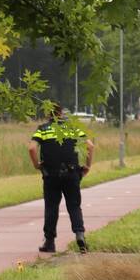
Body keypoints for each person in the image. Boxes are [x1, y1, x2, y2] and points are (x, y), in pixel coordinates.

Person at [27, 104, 93, 252]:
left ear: (48, 114)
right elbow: (90, 146)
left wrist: (37, 165)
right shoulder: (73, 128)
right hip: (72, 173)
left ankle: (49, 242)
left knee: (51, 207)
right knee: (74, 206)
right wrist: (87, 165)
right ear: (62, 113)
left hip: (51, 174)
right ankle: (80, 235)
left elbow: (31, 148)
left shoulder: (43, 129)